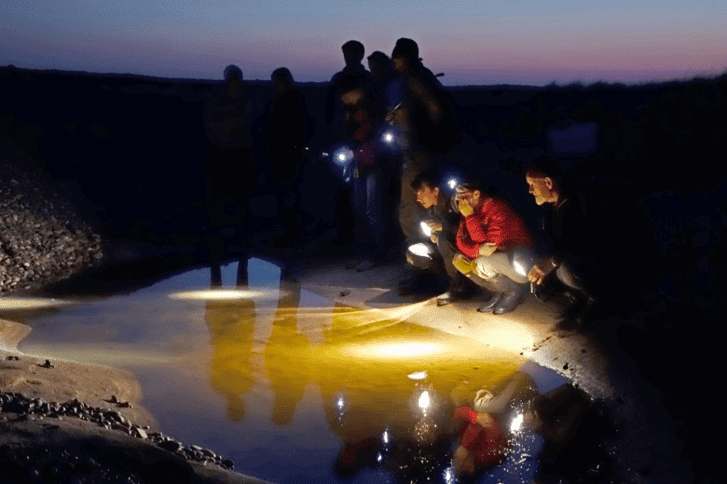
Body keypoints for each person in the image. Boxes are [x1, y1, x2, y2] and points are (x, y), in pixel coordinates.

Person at [386, 38, 459, 243]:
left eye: (397, 59)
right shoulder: (422, 76)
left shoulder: (414, 78)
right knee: (427, 202)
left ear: (404, 59)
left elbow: (433, 106)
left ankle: (420, 257)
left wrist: (426, 138)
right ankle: (430, 255)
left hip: (420, 151)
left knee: (411, 204)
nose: (395, 64)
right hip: (421, 149)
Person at [525, 157, 597, 328]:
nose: (529, 190)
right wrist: (540, 263)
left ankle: (597, 300)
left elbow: (584, 246)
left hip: (596, 264)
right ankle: (578, 297)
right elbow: (553, 244)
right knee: (541, 285)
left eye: (532, 184)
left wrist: (551, 262)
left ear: (548, 182)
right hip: (570, 261)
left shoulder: (579, 203)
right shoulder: (551, 211)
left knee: (569, 266)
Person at [203, 65, 257, 278]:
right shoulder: (217, 100)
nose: (234, 81)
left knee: (240, 197)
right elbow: (212, 126)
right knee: (219, 197)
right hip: (222, 154)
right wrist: (229, 126)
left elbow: (245, 121)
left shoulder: (245, 101)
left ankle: (241, 240)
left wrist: (228, 125)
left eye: (237, 78)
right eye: (231, 78)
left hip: (240, 154)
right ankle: (218, 239)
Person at [452, 181, 537, 315]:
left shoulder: (498, 209)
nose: (458, 200)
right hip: (500, 259)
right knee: (459, 260)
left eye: (463, 195)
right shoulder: (471, 210)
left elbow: (488, 246)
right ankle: (500, 291)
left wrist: (469, 217)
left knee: (480, 263)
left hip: (522, 263)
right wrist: (477, 250)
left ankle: (515, 292)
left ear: (476, 194)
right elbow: (460, 240)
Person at [337, 76, 391, 271]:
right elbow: (348, 137)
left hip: (373, 166)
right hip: (357, 166)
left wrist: (358, 153)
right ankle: (363, 253)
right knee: (359, 210)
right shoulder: (349, 114)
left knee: (372, 210)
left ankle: (376, 255)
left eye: (347, 95)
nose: (345, 99)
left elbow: (380, 141)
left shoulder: (373, 111)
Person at [325, 41, 373, 245]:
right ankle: (346, 233)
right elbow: (329, 109)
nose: (348, 57)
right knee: (342, 189)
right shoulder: (338, 79)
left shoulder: (367, 79)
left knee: (366, 190)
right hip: (341, 138)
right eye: (346, 53)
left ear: (360, 55)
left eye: (352, 53)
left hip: (363, 138)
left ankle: (368, 237)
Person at [410, 167, 473, 305]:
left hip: (468, 250)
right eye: (417, 193)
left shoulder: (454, 202)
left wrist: (443, 228)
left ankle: (460, 287)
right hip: (450, 247)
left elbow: (472, 231)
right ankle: (435, 282)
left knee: (443, 240)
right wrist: (433, 233)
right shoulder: (432, 208)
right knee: (415, 252)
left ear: (436, 191)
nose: (418, 197)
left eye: (421, 192)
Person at [263, 67, 309, 248]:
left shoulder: (289, 101)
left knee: (288, 195)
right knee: (285, 195)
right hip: (281, 155)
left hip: (288, 156)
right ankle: (289, 232)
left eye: (278, 81)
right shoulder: (280, 101)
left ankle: (292, 233)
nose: (276, 85)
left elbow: (296, 128)